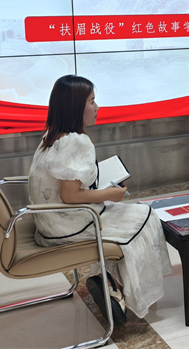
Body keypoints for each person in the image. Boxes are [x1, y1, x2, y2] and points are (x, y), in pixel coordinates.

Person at [28, 75, 172, 326]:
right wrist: (109, 194)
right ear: (76, 106)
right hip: (69, 226)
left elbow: (65, 187)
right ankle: (120, 292)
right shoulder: (77, 142)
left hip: (47, 224)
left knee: (123, 214)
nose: (97, 107)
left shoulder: (51, 136)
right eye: (92, 101)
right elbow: (70, 196)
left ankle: (111, 283)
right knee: (146, 216)